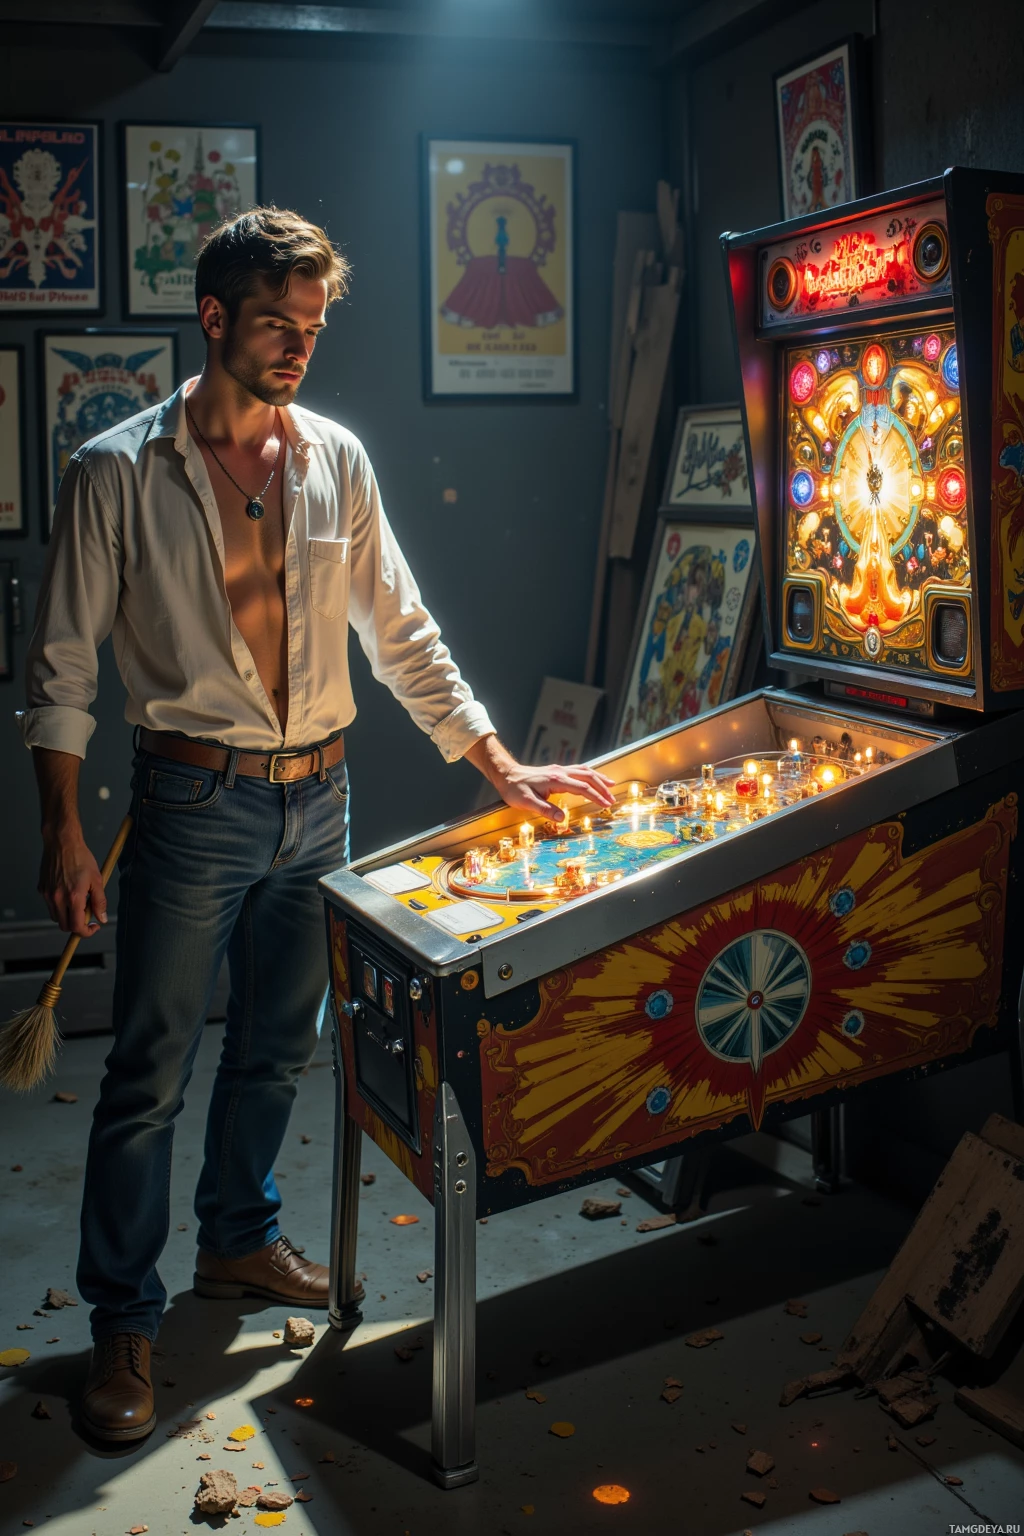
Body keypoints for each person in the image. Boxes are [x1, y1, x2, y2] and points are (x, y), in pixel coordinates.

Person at [20, 207, 614, 1445]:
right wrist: (66, 832)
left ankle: (236, 1244)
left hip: (320, 799)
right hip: (190, 803)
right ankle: (123, 1319)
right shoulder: (116, 471)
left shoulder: (336, 458)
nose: (298, 345)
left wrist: (496, 760)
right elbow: (65, 670)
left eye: (313, 326)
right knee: (146, 1075)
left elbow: (398, 630)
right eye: (277, 323)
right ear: (216, 317)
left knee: (277, 1051)